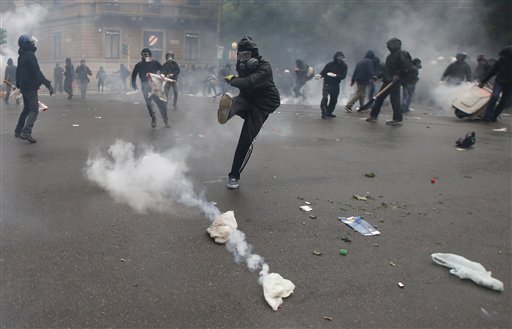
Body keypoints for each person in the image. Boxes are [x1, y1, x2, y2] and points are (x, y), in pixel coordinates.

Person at [217, 36, 280, 189]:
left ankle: (234, 176)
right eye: (240, 56)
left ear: (254, 55)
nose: (242, 60)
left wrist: (233, 80)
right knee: (236, 103)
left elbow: (248, 82)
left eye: (246, 56)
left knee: (245, 140)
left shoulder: (265, 67)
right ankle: (228, 112)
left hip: (262, 106)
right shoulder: (241, 66)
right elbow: (244, 85)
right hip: (246, 99)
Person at [14, 34, 53, 143]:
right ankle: (26, 132)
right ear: (26, 43)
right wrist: (47, 84)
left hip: (24, 86)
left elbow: (19, 71)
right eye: (31, 42)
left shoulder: (21, 55)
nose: (33, 43)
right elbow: (37, 71)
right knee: (34, 110)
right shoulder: (30, 54)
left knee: (26, 109)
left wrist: (18, 84)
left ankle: (18, 130)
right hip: (30, 87)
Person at [366, 38, 412, 126]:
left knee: (395, 100)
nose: (388, 46)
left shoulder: (402, 54)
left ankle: (398, 119)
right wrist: (378, 77)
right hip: (387, 80)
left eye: (389, 45)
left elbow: (405, 68)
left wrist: (398, 75)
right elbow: (387, 70)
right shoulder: (390, 56)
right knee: (379, 99)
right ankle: (373, 116)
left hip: (394, 82)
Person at [131, 48, 170, 128]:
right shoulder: (139, 65)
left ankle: (166, 121)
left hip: (155, 86)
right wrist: (134, 84)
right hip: (145, 88)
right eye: (143, 54)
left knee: (161, 104)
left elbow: (163, 70)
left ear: (150, 55)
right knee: (149, 105)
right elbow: (134, 75)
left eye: (146, 54)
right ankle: (153, 119)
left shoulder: (155, 63)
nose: (144, 56)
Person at [478, 45, 512, 122]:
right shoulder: (500, 61)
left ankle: (495, 115)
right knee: (494, 96)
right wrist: (483, 81)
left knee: (504, 101)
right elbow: (492, 71)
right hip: (499, 81)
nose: (503, 57)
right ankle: (487, 116)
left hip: (510, 84)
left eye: (505, 55)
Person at [317, 51, 348, 118]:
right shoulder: (330, 64)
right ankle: (324, 113)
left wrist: (335, 75)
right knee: (325, 98)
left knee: (334, 100)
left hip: (336, 84)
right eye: (338, 57)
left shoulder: (344, 66)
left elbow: (343, 76)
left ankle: (329, 112)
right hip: (327, 83)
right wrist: (320, 75)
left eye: (341, 57)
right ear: (335, 57)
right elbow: (324, 72)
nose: (340, 59)